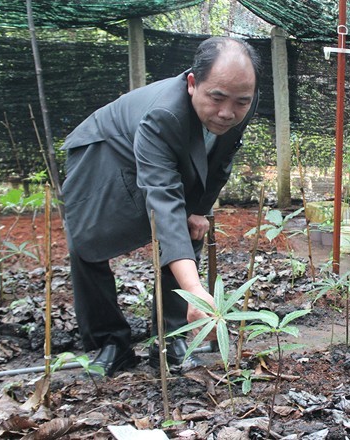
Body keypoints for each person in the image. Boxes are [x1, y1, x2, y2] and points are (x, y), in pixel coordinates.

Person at [61, 36, 260, 376]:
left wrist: (199, 207)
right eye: (216, 98)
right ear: (192, 84)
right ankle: (111, 343)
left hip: (159, 149)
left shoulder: (243, 101)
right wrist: (196, 291)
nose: (228, 113)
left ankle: (170, 339)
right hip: (105, 152)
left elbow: (220, 160)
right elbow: (164, 203)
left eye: (240, 101)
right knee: (86, 242)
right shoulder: (163, 115)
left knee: (190, 224)